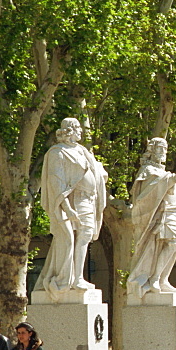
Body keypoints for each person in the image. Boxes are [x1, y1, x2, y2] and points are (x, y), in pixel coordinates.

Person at [35, 117, 109, 301]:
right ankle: (65, 279)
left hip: (87, 200)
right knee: (69, 239)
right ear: (69, 130)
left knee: (84, 237)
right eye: (77, 129)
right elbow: (55, 182)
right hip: (71, 201)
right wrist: (67, 208)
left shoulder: (83, 152)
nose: (81, 132)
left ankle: (78, 277)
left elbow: (96, 173)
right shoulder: (57, 152)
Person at [127, 138, 176, 298]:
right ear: (151, 152)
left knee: (173, 246)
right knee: (170, 244)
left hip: (174, 213)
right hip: (162, 214)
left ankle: (162, 279)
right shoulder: (147, 171)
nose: (163, 153)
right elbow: (146, 196)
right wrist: (174, 179)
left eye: (165, 149)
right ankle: (154, 278)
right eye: (160, 149)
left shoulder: (162, 172)